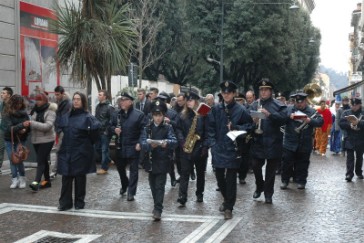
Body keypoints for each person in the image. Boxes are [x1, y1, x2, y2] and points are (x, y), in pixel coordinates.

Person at [208, 81, 253, 219]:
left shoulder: (241, 110)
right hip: (218, 148)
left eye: (229, 92)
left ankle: (229, 207)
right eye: (224, 92)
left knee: (231, 179)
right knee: (220, 177)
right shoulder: (215, 109)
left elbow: (250, 126)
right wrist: (213, 144)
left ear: (234, 94)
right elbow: (210, 128)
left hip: (233, 148)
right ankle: (227, 199)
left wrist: (237, 128)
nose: (226, 95)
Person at [56, 92, 101, 211]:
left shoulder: (88, 118)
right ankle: (65, 203)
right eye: (74, 99)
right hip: (67, 150)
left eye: (78, 99)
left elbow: (95, 135)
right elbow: (60, 129)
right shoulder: (66, 116)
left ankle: (79, 202)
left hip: (81, 151)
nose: (75, 101)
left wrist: (86, 145)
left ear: (83, 101)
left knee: (79, 178)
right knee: (66, 177)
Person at [250, 79, 287, 204]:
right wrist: (253, 122)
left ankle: (268, 194)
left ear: (271, 91)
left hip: (273, 141)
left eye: (266, 90)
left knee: (271, 171)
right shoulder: (255, 104)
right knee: (255, 166)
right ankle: (259, 185)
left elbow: (284, 120)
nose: (263, 92)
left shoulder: (279, 105)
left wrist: (269, 115)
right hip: (258, 141)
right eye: (261, 89)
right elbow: (246, 120)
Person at [140, 100, 177, 221]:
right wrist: (150, 145)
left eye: (160, 115)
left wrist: (165, 143)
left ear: (163, 116)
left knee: (160, 186)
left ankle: (158, 209)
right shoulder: (147, 128)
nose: (157, 118)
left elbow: (174, 141)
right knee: (152, 186)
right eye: (155, 115)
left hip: (163, 161)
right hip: (150, 161)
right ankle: (157, 205)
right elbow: (142, 142)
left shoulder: (168, 127)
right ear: (152, 115)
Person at [280, 92, 323, 190]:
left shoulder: (312, 111)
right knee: (286, 162)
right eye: (297, 102)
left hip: (305, 142)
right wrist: (288, 116)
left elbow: (320, 121)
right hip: (290, 141)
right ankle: (285, 181)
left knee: (303, 163)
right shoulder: (289, 109)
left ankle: (301, 181)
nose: (299, 104)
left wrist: (309, 121)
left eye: (301, 102)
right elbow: (280, 118)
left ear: (305, 101)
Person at [110, 92, 147, 201]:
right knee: (120, 168)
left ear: (130, 102)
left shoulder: (139, 115)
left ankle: (131, 192)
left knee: (134, 170)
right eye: (121, 99)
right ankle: (125, 184)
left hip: (133, 145)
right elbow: (109, 125)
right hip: (120, 146)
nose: (122, 101)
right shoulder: (116, 114)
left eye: (125, 99)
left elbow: (144, 131)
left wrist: (140, 142)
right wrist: (114, 129)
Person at [176, 91, 208, 206]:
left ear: (196, 101)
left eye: (190, 100)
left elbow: (208, 130)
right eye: (187, 100)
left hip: (200, 148)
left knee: (200, 173)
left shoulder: (204, 113)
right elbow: (178, 129)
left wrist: (205, 146)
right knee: (184, 173)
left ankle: (199, 194)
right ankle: (182, 196)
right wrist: (182, 141)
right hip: (186, 148)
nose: (188, 103)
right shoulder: (183, 114)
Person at [27, 93, 57, 191]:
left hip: (47, 139)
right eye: (36, 99)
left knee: (40, 160)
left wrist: (32, 123)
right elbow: (31, 123)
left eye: (39, 100)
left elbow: (47, 126)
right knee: (43, 160)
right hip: (36, 140)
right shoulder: (34, 110)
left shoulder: (51, 111)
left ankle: (36, 182)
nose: (37, 101)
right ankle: (47, 181)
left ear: (45, 100)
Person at [2, 94, 30, 189]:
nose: (19, 105)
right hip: (9, 139)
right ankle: (14, 178)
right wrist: (22, 126)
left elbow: (28, 126)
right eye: (17, 103)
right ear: (13, 103)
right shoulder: (7, 113)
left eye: (20, 103)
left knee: (19, 158)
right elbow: (9, 128)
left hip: (21, 139)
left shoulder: (24, 113)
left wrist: (25, 130)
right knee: (12, 159)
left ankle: (22, 177)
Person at [339, 97, 364, 182]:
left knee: (359, 157)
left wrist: (359, 122)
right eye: (352, 105)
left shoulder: (363, 112)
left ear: (359, 105)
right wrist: (350, 125)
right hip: (349, 137)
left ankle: (359, 172)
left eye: (356, 105)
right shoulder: (346, 112)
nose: (354, 107)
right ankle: (349, 174)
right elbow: (341, 123)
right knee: (350, 157)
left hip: (361, 138)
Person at [51, 85, 72, 178]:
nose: (56, 96)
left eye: (58, 94)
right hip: (59, 129)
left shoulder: (68, 103)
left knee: (59, 150)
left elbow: (63, 118)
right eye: (55, 94)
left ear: (62, 94)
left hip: (65, 129)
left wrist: (59, 129)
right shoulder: (56, 102)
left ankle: (54, 171)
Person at [95, 89, 115, 175]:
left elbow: (112, 120)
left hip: (105, 132)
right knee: (97, 148)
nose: (98, 96)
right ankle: (109, 160)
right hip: (98, 131)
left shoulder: (110, 107)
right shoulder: (98, 106)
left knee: (104, 149)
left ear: (105, 97)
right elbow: (96, 118)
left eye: (100, 95)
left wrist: (107, 130)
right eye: (98, 94)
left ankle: (104, 168)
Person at [0, 87, 13, 174]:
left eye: (4, 93)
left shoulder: (13, 105)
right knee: (0, 148)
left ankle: (15, 170)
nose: (1, 94)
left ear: (9, 95)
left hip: (11, 130)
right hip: (2, 129)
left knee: (11, 151)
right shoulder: (1, 104)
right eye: (1, 93)